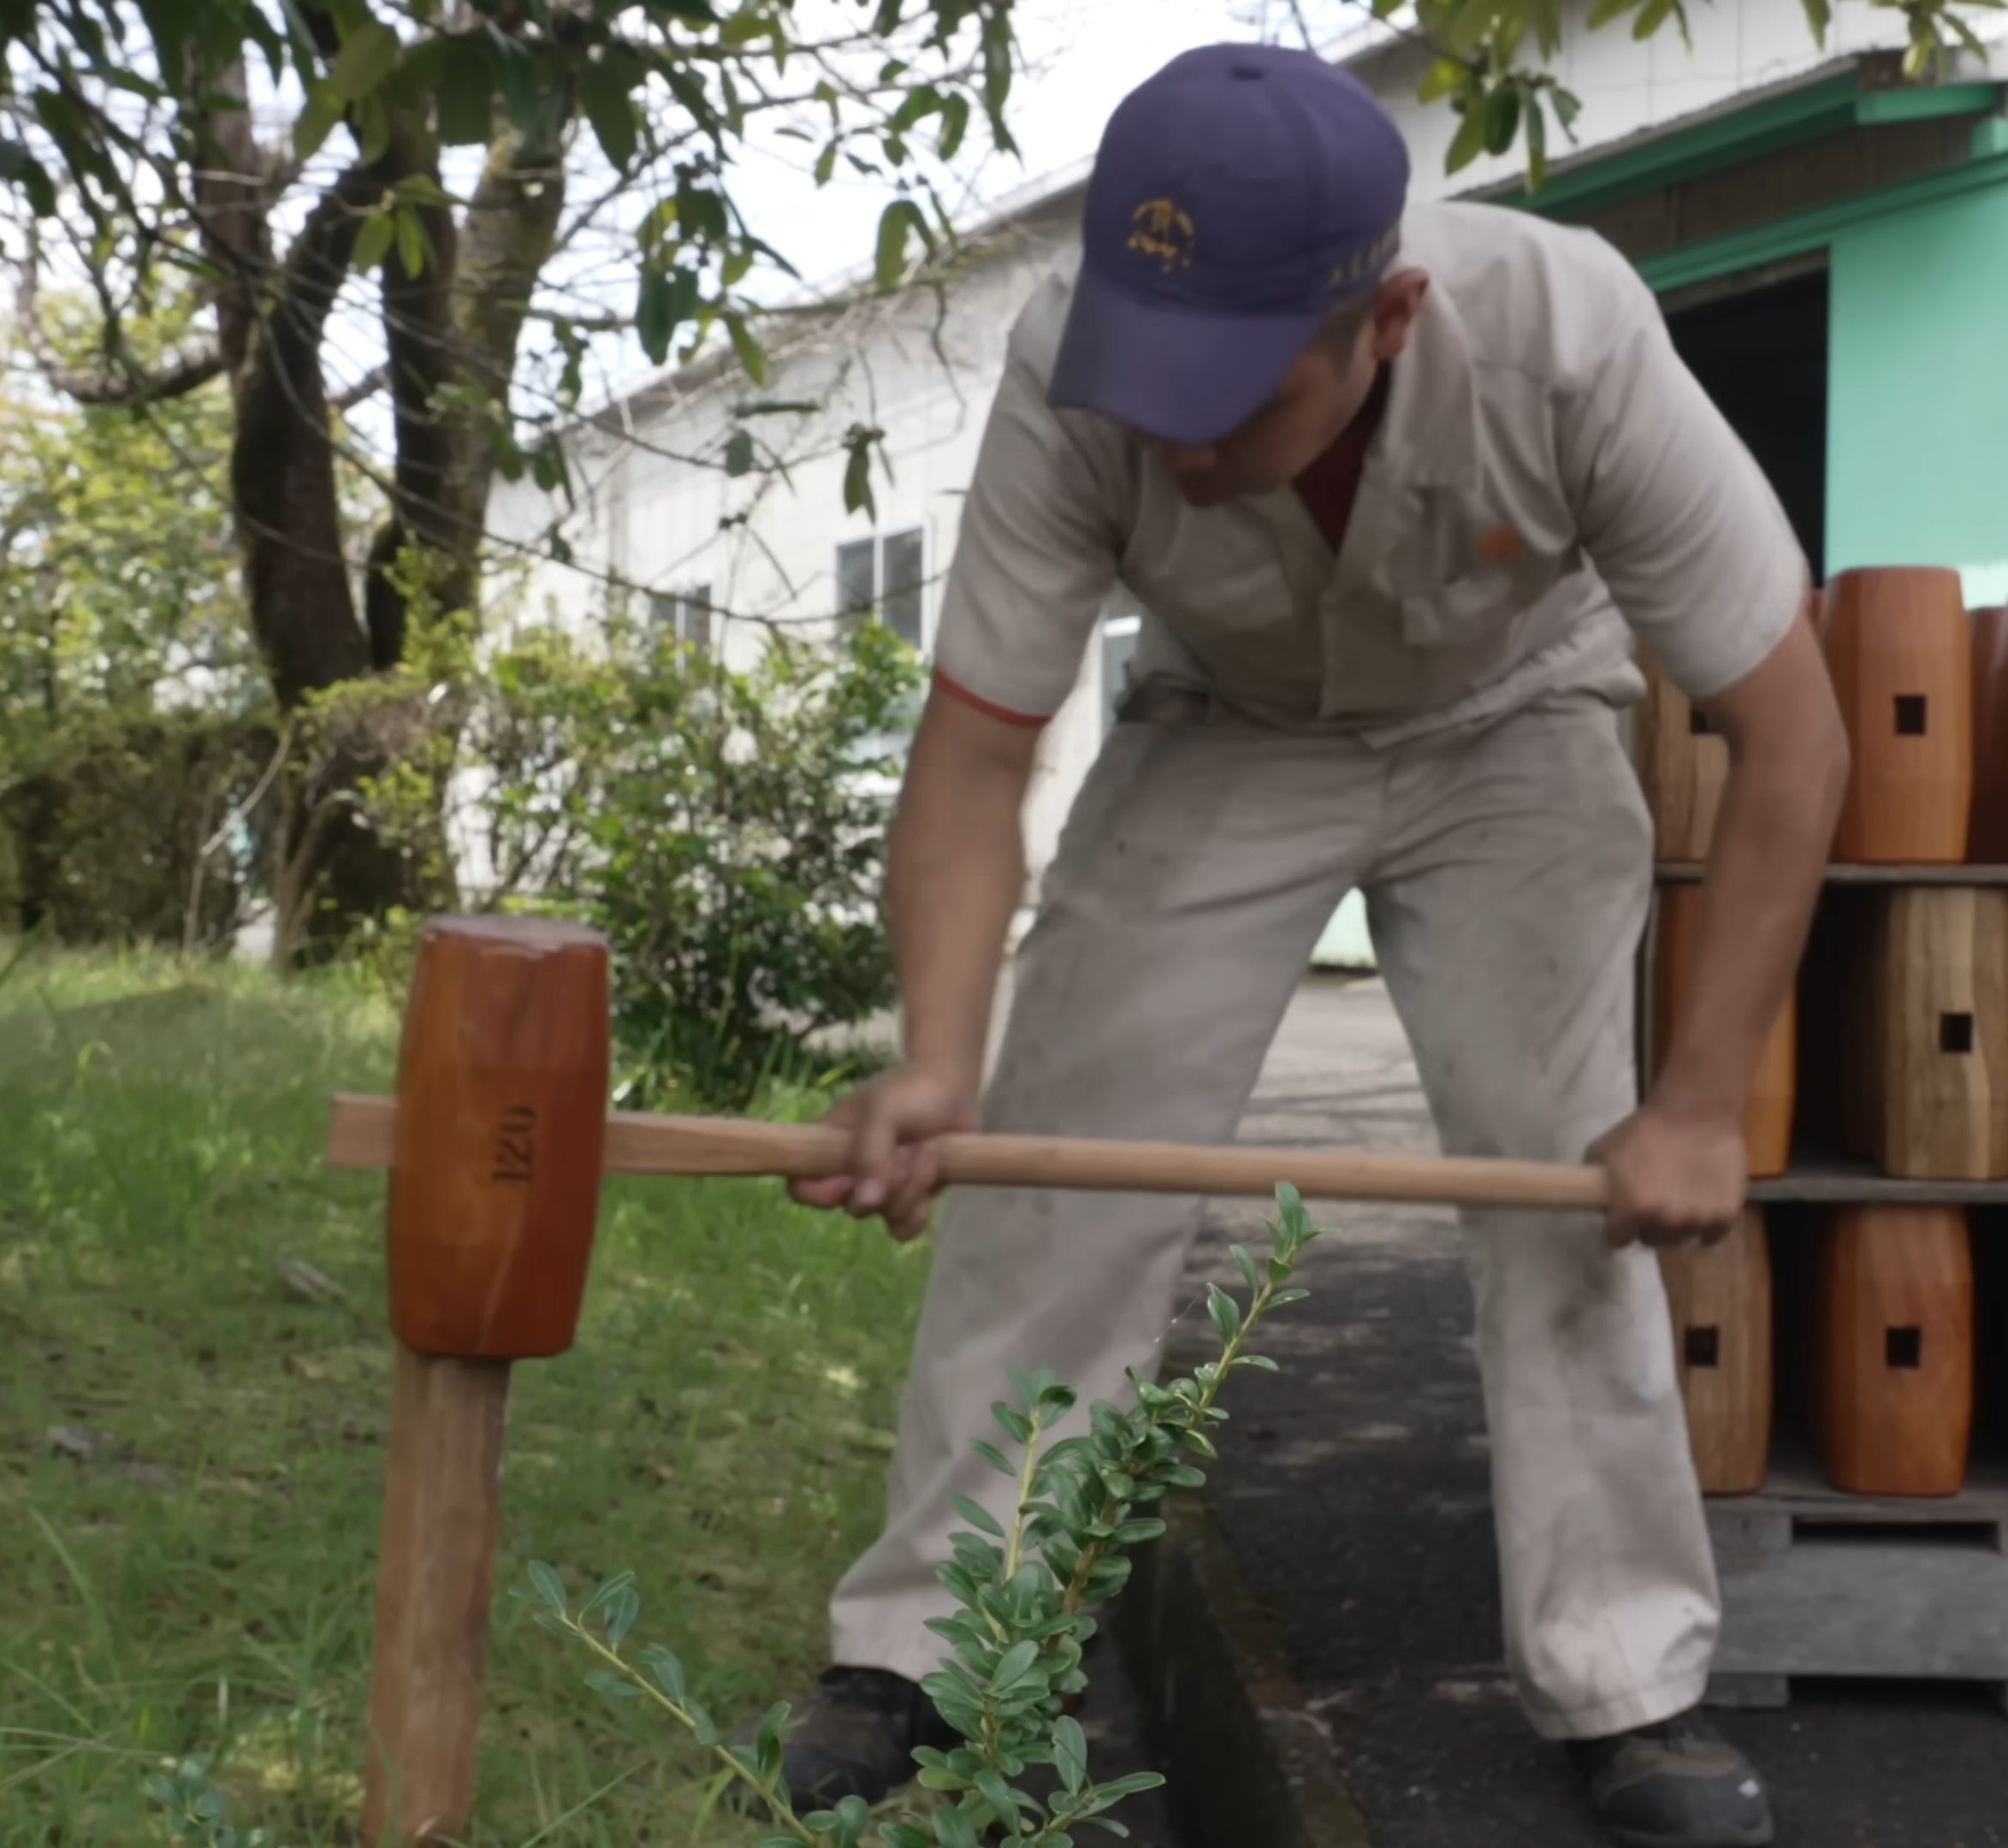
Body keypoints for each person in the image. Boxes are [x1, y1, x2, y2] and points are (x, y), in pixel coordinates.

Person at [777, 41, 1848, 1848]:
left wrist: (1691, 1101)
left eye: (1229, 398)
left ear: (1390, 313)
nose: (1178, 443)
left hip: (1514, 721)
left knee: (1563, 1180)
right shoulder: (1070, 374)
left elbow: (1790, 738)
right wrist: (938, 1058)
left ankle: (1628, 1684)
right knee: (1056, 1167)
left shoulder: (1565, 334)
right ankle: (924, 1651)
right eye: (1155, 388)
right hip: (1230, 731)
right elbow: (973, 754)